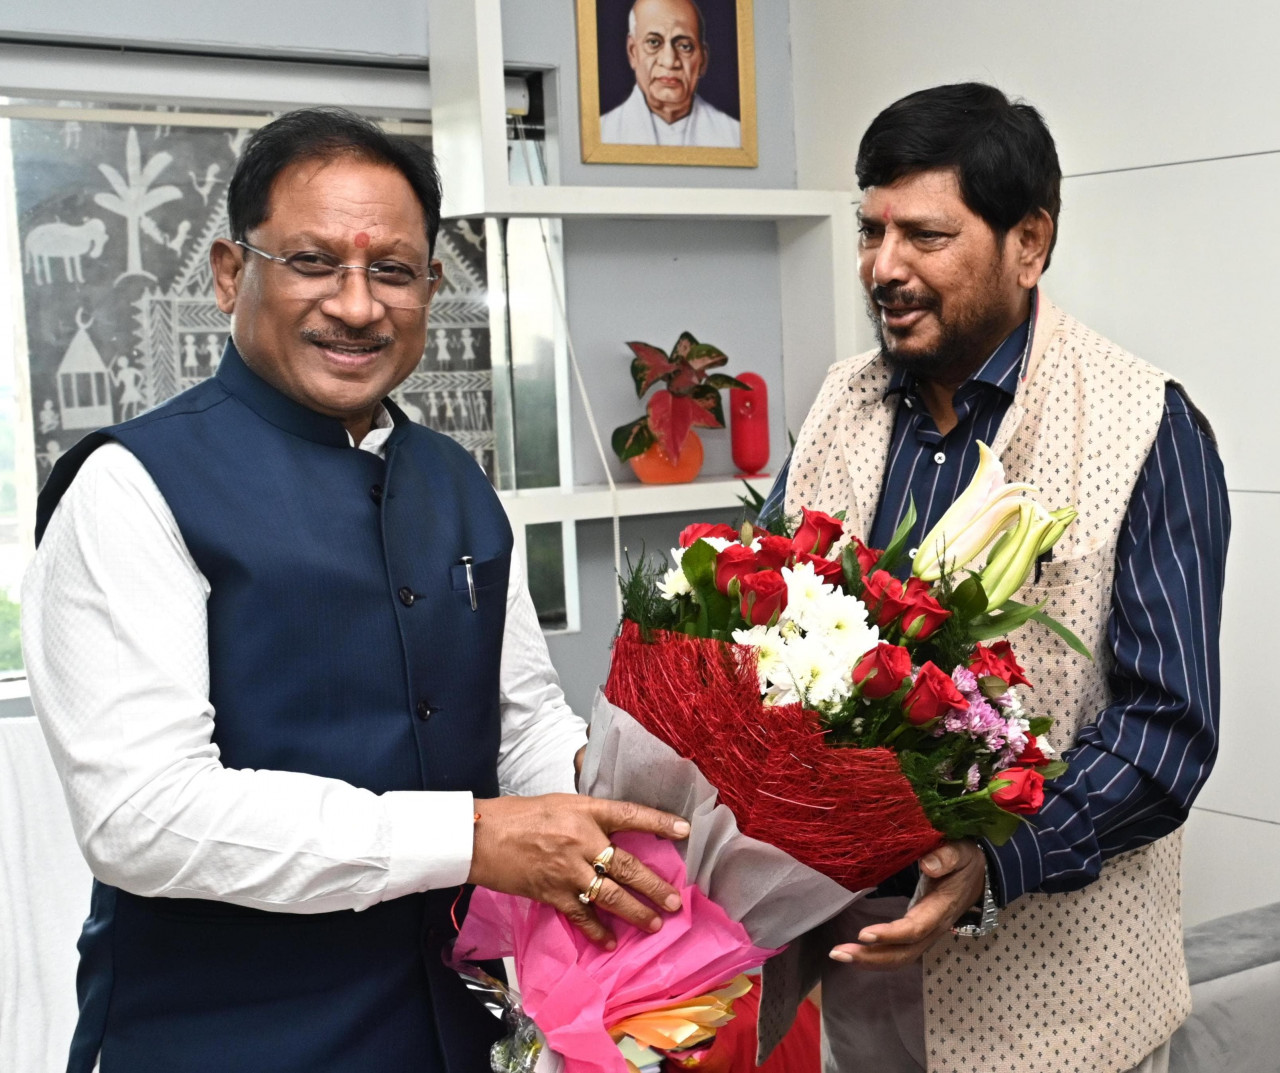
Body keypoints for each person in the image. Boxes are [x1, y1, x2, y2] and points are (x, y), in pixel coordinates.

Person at [22, 108, 690, 1073]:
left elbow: (522, 718)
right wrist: (467, 837)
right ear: (228, 274)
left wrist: (642, 803)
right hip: (218, 1038)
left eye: (392, 271)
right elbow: (145, 816)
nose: (357, 304)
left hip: (447, 1026)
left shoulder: (455, 479)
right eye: (312, 261)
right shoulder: (132, 486)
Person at [757, 83, 1228, 1073]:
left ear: (1028, 241)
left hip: (1067, 1025)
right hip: (862, 996)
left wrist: (992, 863)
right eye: (868, 230)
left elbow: (1162, 728)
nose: (882, 267)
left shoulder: (1143, 423)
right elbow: (755, 635)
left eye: (924, 235)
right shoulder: (840, 402)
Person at [600, 0, 740, 148]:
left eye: (685, 46)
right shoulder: (602, 134)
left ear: (703, 60)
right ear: (633, 52)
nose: (669, 61)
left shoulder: (736, 138)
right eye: (653, 42)